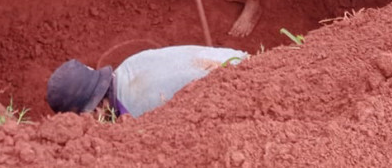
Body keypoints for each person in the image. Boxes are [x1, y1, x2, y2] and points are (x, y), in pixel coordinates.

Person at [46, 45, 248, 118]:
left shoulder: (137, 112)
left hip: (244, 94)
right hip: (246, 61)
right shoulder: (129, 65)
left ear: (97, 108)